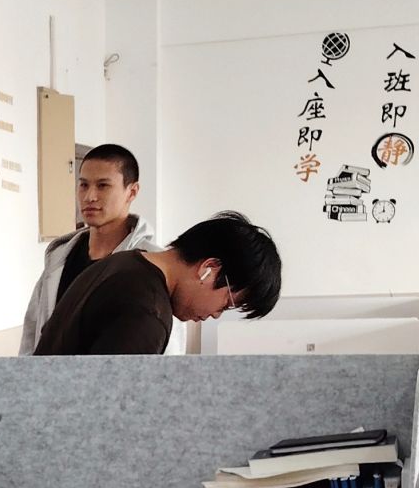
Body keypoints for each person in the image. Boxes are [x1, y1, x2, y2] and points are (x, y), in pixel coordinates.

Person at [36, 211, 282, 356]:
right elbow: (113, 410)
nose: (216, 315)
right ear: (208, 269)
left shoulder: (124, 261)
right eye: (226, 303)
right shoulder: (148, 309)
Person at [20, 143, 159, 353]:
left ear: (132, 192)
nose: (89, 196)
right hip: (52, 373)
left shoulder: (151, 261)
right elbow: (32, 334)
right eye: (83, 185)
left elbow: (167, 347)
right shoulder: (60, 257)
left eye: (103, 186)